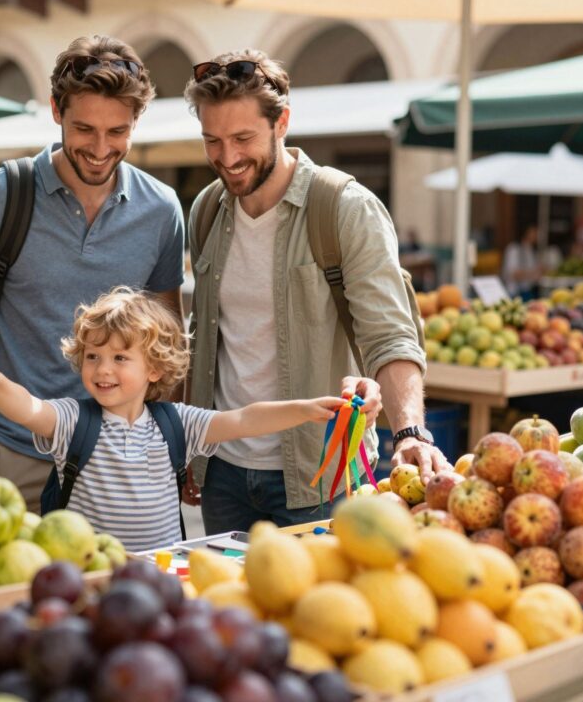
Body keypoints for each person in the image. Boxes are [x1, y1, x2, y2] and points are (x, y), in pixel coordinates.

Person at [183, 50, 444, 533]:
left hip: (321, 476)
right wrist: (187, 449)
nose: (228, 157)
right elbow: (202, 336)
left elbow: (390, 335)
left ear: (281, 122)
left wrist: (410, 431)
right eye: (212, 140)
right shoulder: (207, 210)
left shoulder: (343, 207)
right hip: (221, 472)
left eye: (243, 138)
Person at [0, 36, 185, 506]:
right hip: (14, 454)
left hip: (118, 459)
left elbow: (167, 347)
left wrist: (161, 452)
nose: (100, 148)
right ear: (56, 110)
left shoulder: (161, 209)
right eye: (84, 129)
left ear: (136, 122)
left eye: (117, 131)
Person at [0, 287, 345, 550]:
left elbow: (243, 420)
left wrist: (304, 410)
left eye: (120, 358)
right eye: (93, 357)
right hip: (92, 571)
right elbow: (29, 408)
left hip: (160, 575)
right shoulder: (74, 420)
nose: (102, 369)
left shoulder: (176, 423)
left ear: (155, 369)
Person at [502, 224, 542, 299]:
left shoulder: (530, 249)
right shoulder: (513, 249)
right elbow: (513, 274)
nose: (537, 235)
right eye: (535, 232)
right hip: (514, 292)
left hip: (528, 291)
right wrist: (533, 274)